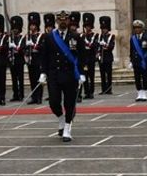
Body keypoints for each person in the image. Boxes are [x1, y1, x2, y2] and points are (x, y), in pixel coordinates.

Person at [37, 10, 85, 141]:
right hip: (54, 75)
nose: (63, 22)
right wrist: (43, 72)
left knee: (69, 103)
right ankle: (61, 119)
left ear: (69, 21)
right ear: (57, 21)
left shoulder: (76, 37)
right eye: (60, 20)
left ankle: (67, 128)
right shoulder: (49, 37)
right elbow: (44, 56)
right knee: (53, 102)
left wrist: (81, 73)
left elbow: (81, 56)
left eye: (65, 20)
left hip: (70, 75)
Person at [129, 20, 147, 101]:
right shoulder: (133, 38)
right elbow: (131, 50)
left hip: (144, 61)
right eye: (135, 28)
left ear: (142, 28)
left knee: (145, 77)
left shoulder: (146, 37)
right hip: (136, 61)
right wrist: (131, 61)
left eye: (138, 28)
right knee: (137, 77)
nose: (137, 29)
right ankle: (139, 93)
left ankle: (145, 93)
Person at [26, 12, 44, 104]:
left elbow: (42, 47)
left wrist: (34, 45)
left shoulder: (41, 36)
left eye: (33, 25)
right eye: (31, 25)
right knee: (32, 79)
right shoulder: (28, 36)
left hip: (38, 59)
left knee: (38, 79)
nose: (32, 27)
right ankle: (34, 96)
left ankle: (39, 97)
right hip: (31, 60)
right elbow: (24, 47)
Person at [80, 13, 99, 99]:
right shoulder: (81, 36)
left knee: (91, 76)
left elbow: (95, 45)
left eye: (89, 26)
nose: (87, 28)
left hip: (91, 57)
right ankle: (86, 91)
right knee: (85, 75)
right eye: (86, 26)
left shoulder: (95, 36)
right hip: (84, 58)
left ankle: (91, 92)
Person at [8, 15, 26, 102]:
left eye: (16, 28)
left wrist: (15, 47)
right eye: (13, 28)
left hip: (19, 60)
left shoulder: (22, 37)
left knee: (20, 78)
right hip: (12, 60)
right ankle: (15, 94)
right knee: (14, 78)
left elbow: (23, 48)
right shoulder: (10, 38)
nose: (14, 29)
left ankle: (21, 94)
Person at [98, 15, 115, 95]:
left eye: (105, 28)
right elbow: (96, 45)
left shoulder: (111, 36)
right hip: (101, 58)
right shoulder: (99, 36)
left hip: (108, 57)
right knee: (102, 75)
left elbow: (111, 46)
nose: (103, 30)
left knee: (108, 74)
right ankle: (103, 89)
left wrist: (105, 46)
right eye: (102, 29)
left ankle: (109, 89)